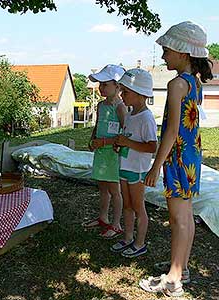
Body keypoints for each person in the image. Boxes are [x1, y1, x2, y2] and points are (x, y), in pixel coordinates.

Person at [139, 21, 213, 297]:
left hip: (177, 156)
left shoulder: (176, 84)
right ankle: (179, 267)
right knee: (185, 217)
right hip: (191, 155)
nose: (163, 56)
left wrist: (155, 166)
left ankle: (173, 279)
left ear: (183, 52)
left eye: (167, 50)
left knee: (179, 218)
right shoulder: (194, 82)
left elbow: (171, 130)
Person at [109, 69, 157, 258]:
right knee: (127, 205)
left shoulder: (146, 118)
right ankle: (128, 237)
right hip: (125, 167)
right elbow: (129, 138)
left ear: (140, 94)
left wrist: (127, 143)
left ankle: (140, 243)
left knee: (138, 207)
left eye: (126, 92)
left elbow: (152, 146)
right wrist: (119, 145)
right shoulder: (129, 115)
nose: (122, 95)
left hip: (137, 171)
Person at [85, 64, 127, 238]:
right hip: (101, 153)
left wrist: (104, 142)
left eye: (105, 84)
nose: (101, 88)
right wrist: (93, 139)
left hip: (113, 154)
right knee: (102, 187)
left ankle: (116, 224)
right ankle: (103, 217)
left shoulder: (120, 107)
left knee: (114, 190)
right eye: (100, 84)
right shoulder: (101, 106)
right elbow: (98, 125)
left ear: (117, 86)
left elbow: (125, 134)